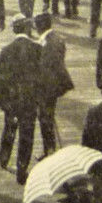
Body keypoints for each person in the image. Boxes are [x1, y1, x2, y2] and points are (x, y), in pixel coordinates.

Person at [0, 16, 43, 184]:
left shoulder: (6, 50)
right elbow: (41, 77)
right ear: (27, 29)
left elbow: (0, 80)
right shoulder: (37, 49)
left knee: (9, 127)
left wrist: (2, 101)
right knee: (27, 135)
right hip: (29, 99)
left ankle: (3, 157)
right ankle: (22, 170)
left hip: (12, 99)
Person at [34, 12, 71, 155]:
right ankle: (49, 148)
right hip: (54, 85)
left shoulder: (47, 43)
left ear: (39, 27)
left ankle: (49, 149)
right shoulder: (56, 39)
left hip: (47, 87)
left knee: (45, 119)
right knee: (47, 117)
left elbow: (46, 67)